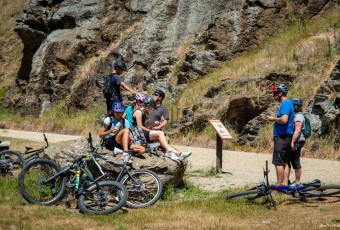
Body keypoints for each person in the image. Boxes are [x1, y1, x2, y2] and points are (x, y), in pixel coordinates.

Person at [133, 95, 191, 161]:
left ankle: (179, 153)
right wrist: (149, 130)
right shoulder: (138, 112)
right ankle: (169, 152)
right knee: (160, 133)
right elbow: (139, 126)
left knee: (161, 142)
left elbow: (144, 127)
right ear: (148, 105)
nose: (151, 109)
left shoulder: (143, 112)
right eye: (151, 107)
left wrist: (153, 124)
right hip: (137, 135)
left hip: (141, 133)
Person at [266, 84, 295, 186]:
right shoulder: (288, 103)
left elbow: (284, 119)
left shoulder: (285, 104)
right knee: (285, 161)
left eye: (275, 93)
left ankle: (279, 186)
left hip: (282, 136)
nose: (274, 96)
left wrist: (273, 119)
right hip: (285, 136)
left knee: (278, 161)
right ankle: (285, 185)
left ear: (280, 93)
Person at [290, 98, 306, 187]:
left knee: (296, 161)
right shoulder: (297, 115)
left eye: (292, 106)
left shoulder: (299, 116)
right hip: (298, 140)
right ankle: (296, 181)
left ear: (296, 107)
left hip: (298, 140)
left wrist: (292, 142)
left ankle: (297, 182)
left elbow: (298, 130)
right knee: (294, 160)